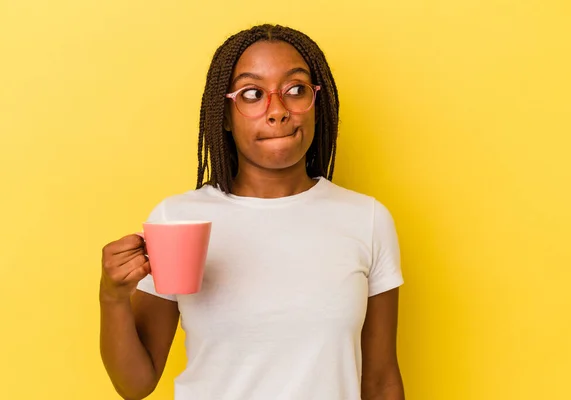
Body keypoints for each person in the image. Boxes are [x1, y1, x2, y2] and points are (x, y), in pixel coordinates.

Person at [100, 24, 405, 400]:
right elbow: (136, 383)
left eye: (296, 90)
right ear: (225, 115)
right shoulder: (178, 219)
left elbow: (380, 380)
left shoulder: (366, 220)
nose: (277, 111)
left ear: (316, 103)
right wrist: (112, 298)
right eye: (252, 94)